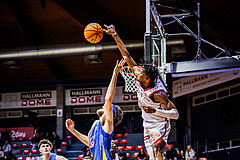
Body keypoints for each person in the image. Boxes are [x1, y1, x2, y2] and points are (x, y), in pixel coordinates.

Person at [104, 25, 179, 160]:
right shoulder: (140, 74)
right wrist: (115, 35)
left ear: (148, 78)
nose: (138, 71)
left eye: (142, 72)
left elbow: (176, 115)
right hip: (147, 123)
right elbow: (126, 55)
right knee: (152, 156)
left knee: (157, 150)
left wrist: (155, 111)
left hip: (160, 123)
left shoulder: (158, 94)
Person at [66, 59, 125, 160]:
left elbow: (108, 99)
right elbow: (89, 142)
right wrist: (72, 131)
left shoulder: (108, 126)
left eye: (107, 108)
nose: (104, 106)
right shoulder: (97, 125)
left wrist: (115, 74)